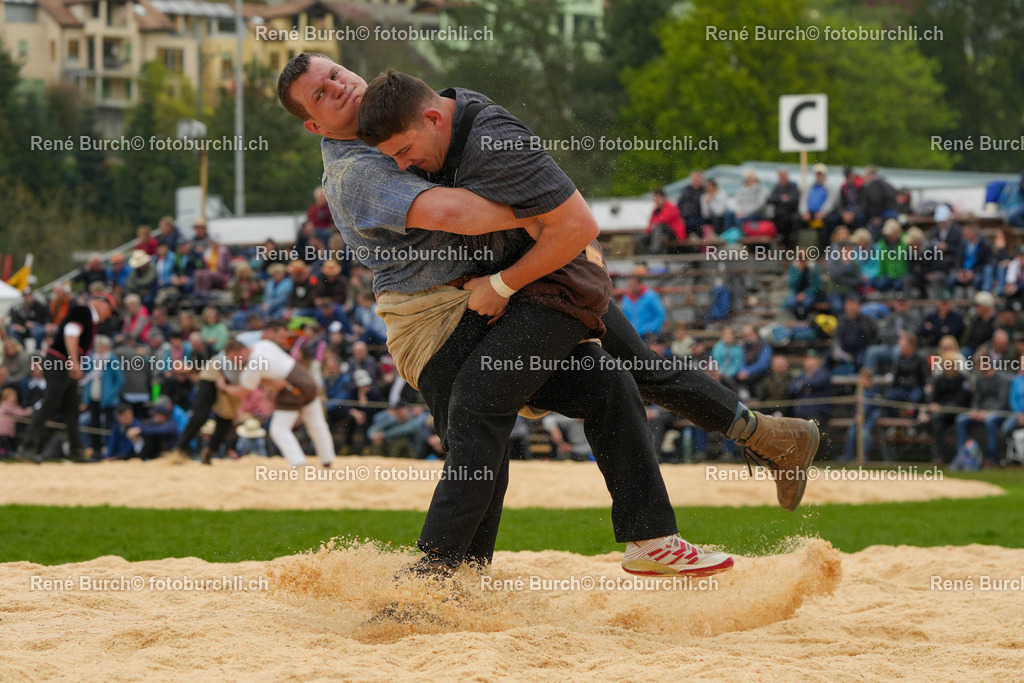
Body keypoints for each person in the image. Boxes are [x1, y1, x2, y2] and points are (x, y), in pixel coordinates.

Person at [279, 56, 818, 575]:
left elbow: (521, 197)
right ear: (311, 123)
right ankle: (450, 579)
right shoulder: (358, 169)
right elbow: (456, 213)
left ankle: (758, 449)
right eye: (322, 94)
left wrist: (561, 225)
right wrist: (556, 216)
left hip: (521, 279)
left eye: (336, 74)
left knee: (617, 380)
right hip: (440, 317)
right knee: (479, 430)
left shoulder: (414, 113)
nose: (340, 87)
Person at [18, 292, 117, 462]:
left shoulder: (88, 317)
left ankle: (76, 451)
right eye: (109, 309)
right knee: (50, 404)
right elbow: (71, 334)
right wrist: (73, 362)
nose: (109, 315)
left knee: (71, 410)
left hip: (63, 364)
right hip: (60, 363)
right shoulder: (83, 311)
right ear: (100, 303)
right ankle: (27, 446)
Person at [223, 322, 335, 468]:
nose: (235, 364)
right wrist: (267, 381)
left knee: (279, 429)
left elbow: (243, 391)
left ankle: (298, 462)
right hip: (306, 379)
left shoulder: (252, 365)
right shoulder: (262, 345)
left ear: (240, 352)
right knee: (317, 423)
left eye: (234, 359)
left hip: (291, 387)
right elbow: (270, 370)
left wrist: (224, 387)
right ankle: (327, 460)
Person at [954, 357, 1010, 467]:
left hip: (998, 413)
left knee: (990, 421)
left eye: (979, 364)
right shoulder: (979, 379)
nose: (978, 367)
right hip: (981, 413)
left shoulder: (1002, 378)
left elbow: (1003, 402)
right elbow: (976, 399)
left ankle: (991, 458)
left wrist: (987, 412)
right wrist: (975, 411)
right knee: (960, 419)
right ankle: (961, 455)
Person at [639, 188, 685, 254]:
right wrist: (646, 233)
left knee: (658, 227)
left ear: (663, 198)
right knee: (643, 237)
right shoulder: (655, 211)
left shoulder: (671, 207)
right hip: (663, 233)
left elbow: (663, 220)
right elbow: (650, 225)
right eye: (654, 198)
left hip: (675, 234)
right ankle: (643, 253)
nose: (655, 200)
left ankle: (655, 251)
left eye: (657, 197)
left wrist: (652, 227)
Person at [766, 168, 800, 249]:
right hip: (777, 215)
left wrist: (780, 199)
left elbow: (794, 200)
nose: (782, 178)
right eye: (780, 176)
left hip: (790, 214)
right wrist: (781, 198)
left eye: (783, 176)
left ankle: (786, 245)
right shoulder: (777, 187)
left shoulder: (792, 186)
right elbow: (769, 199)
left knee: (788, 222)